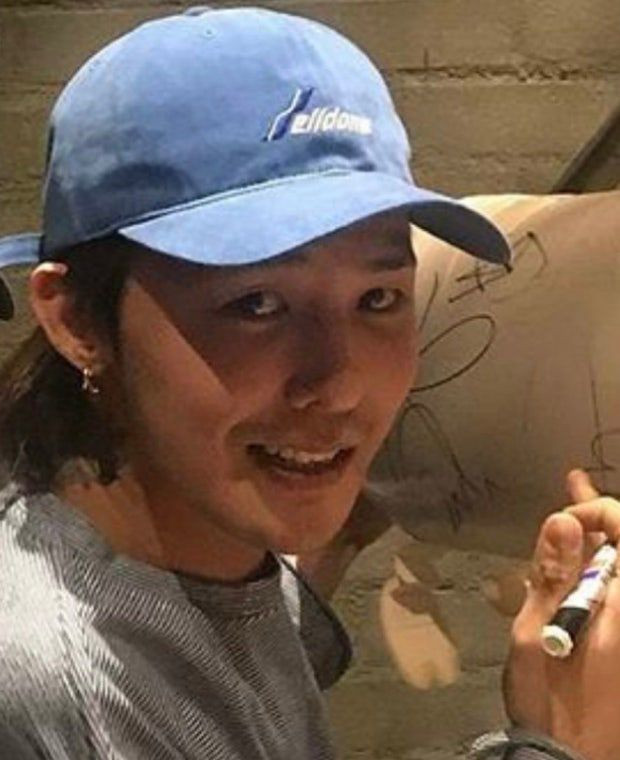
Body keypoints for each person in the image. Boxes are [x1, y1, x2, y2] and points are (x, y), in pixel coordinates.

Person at [0, 7, 618, 759]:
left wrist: (335, 522)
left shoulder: (185, 538)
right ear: (77, 322)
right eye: (257, 305)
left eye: (378, 299)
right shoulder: (60, 692)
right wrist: (559, 743)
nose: (341, 386)